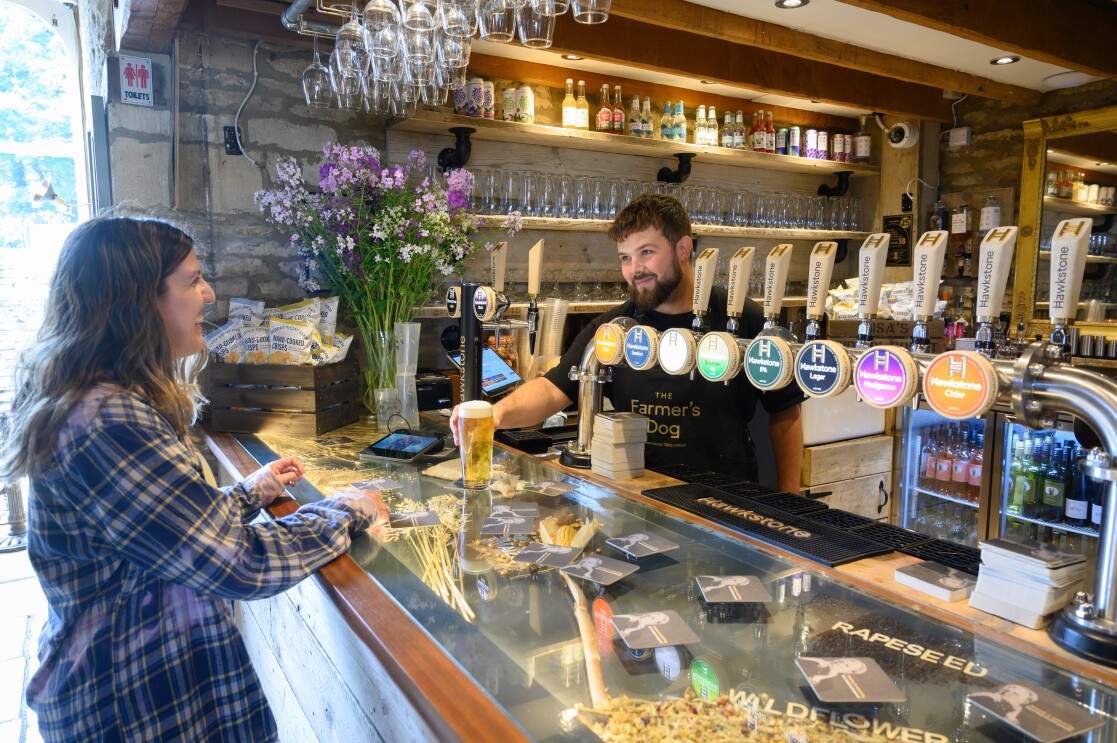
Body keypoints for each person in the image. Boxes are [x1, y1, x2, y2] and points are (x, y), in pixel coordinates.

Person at [1, 217, 389, 742]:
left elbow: (162, 532)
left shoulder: (101, 398)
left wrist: (251, 492)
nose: (208, 292)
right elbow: (239, 563)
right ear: (137, 303)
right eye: (192, 281)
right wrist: (349, 507)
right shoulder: (109, 420)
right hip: (133, 711)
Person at [451, 193, 804, 489]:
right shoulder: (614, 328)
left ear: (683, 248)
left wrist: (789, 502)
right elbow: (554, 389)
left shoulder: (742, 318)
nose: (634, 269)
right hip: (639, 496)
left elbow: (785, 412)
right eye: (625, 257)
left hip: (725, 500)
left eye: (647, 252)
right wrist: (496, 414)